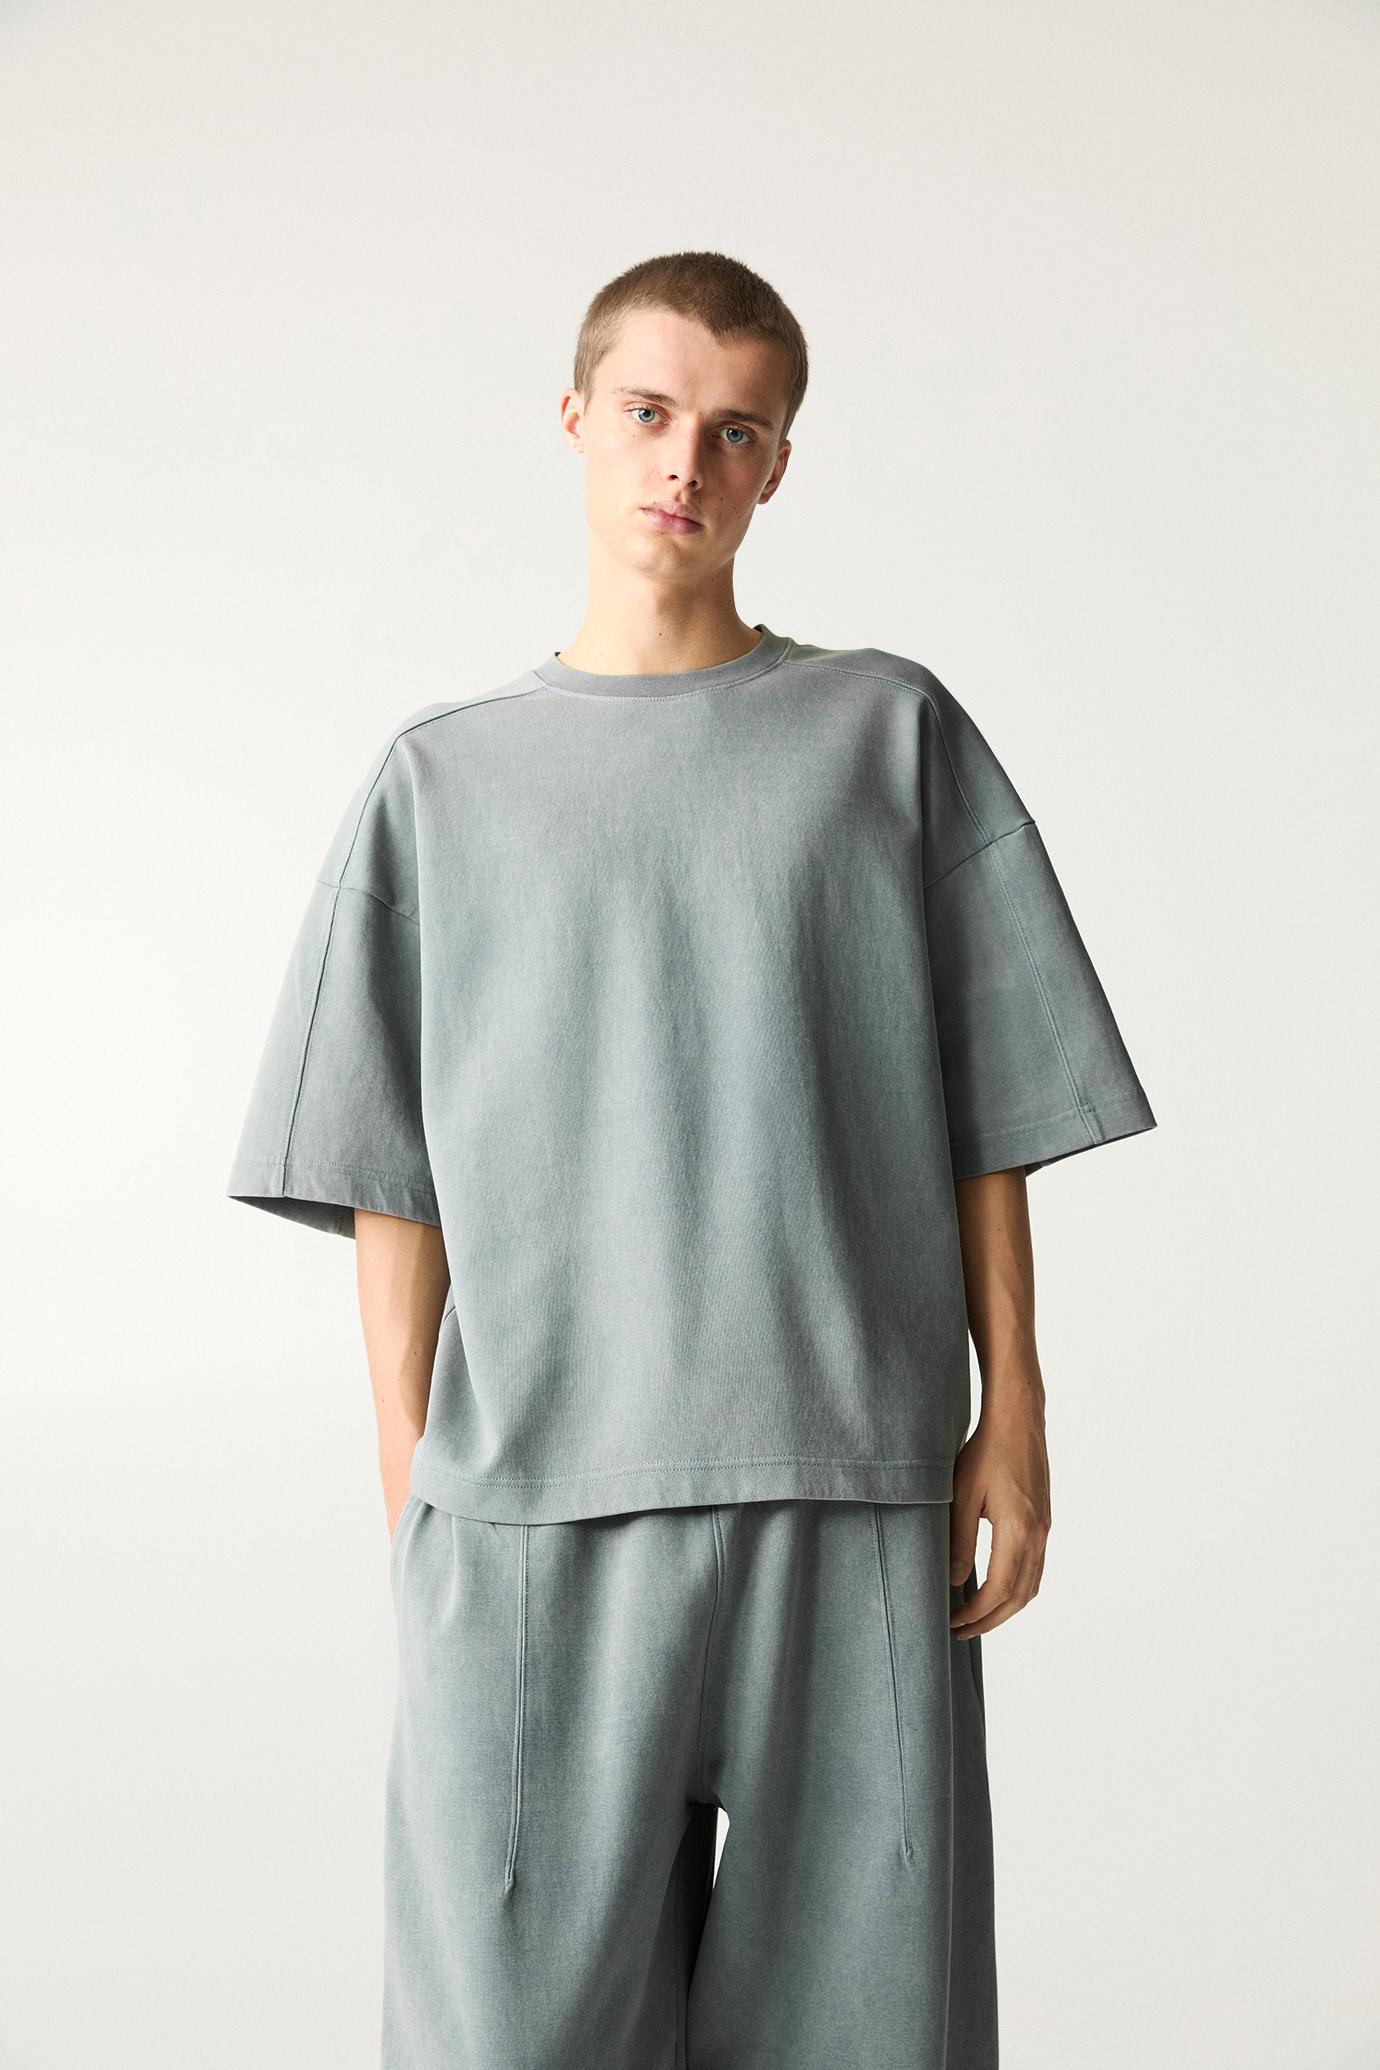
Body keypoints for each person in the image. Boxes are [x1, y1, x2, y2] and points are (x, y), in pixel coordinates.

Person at [226, 249, 1156, 2069]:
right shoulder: (442, 780)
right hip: (533, 1511)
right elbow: (387, 1165)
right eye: (650, 413)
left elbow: (990, 1104)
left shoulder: (889, 734)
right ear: (575, 419)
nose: (685, 461)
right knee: (506, 2038)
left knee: (866, 2038)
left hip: (851, 1484)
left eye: (735, 431)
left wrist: (1014, 1410)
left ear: (778, 465)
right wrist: (416, 1476)